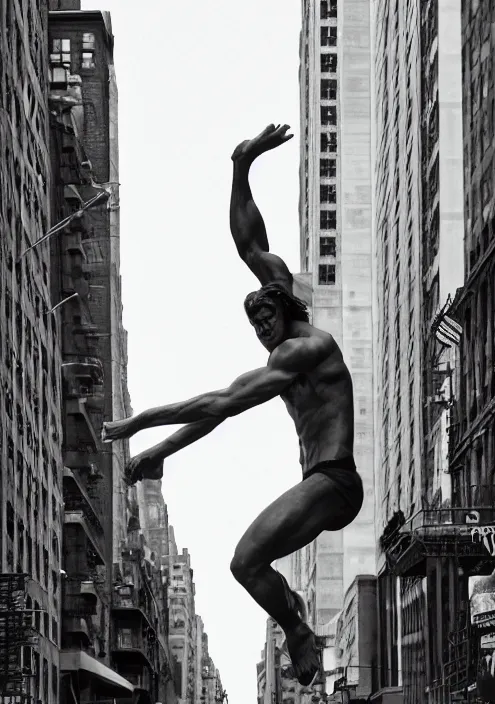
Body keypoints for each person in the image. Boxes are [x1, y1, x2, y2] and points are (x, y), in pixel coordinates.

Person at [102, 124, 364, 686]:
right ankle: (290, 612)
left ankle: (295, 625)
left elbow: (221, 400)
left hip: (336, 484)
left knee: (245, 561)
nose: (262, 331)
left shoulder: (305, 349)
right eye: (256, 325)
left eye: (267, 320)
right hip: (318, 480)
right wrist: (241, 165)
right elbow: (249, 245)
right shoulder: (281, 317)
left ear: (286, 310)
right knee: (248, 563)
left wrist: (141, 422)